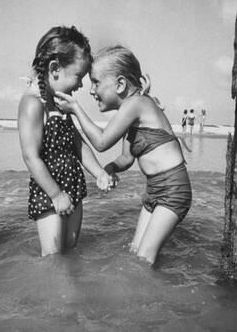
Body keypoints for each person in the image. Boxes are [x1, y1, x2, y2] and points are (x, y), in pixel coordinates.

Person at [55, 45, 192, 266]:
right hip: (154, 190)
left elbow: (101, 142)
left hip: (174, 190)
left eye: (96, 82)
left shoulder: (136, 104)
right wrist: (110, 169)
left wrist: (75, 109)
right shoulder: (131, 111)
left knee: (144, 257)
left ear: (120, 84)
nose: (91, 90)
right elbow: (126, 158)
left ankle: (149, 299)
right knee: (135, 253)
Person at [18, 26, 114, 257]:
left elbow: (78, 144)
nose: (81, 85)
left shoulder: (60, 104)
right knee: (52, 258)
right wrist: (56, 195)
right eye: (78, 77)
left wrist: (99, 172)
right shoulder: (33, 104)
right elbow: (31, 157)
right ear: (55, 69)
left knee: (70, 252)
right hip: (48, 190)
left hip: (73, 185)